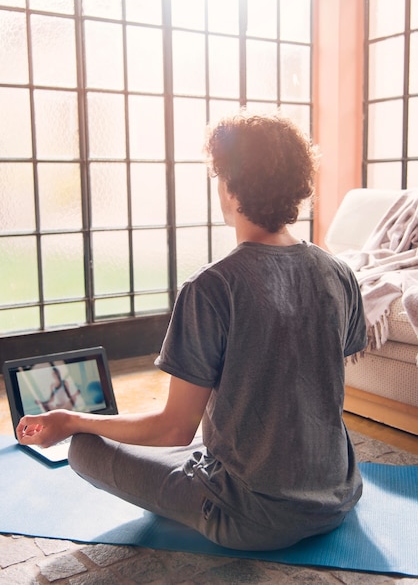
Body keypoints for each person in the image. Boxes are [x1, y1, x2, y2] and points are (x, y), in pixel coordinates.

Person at [17, 110, 367, 551]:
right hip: (337, 496)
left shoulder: (212, 286)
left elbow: (173, 431)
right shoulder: (339, 272)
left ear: (228, 185)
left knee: (84, 448)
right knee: (193, 445)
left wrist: (69, 421)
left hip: (250, 517)